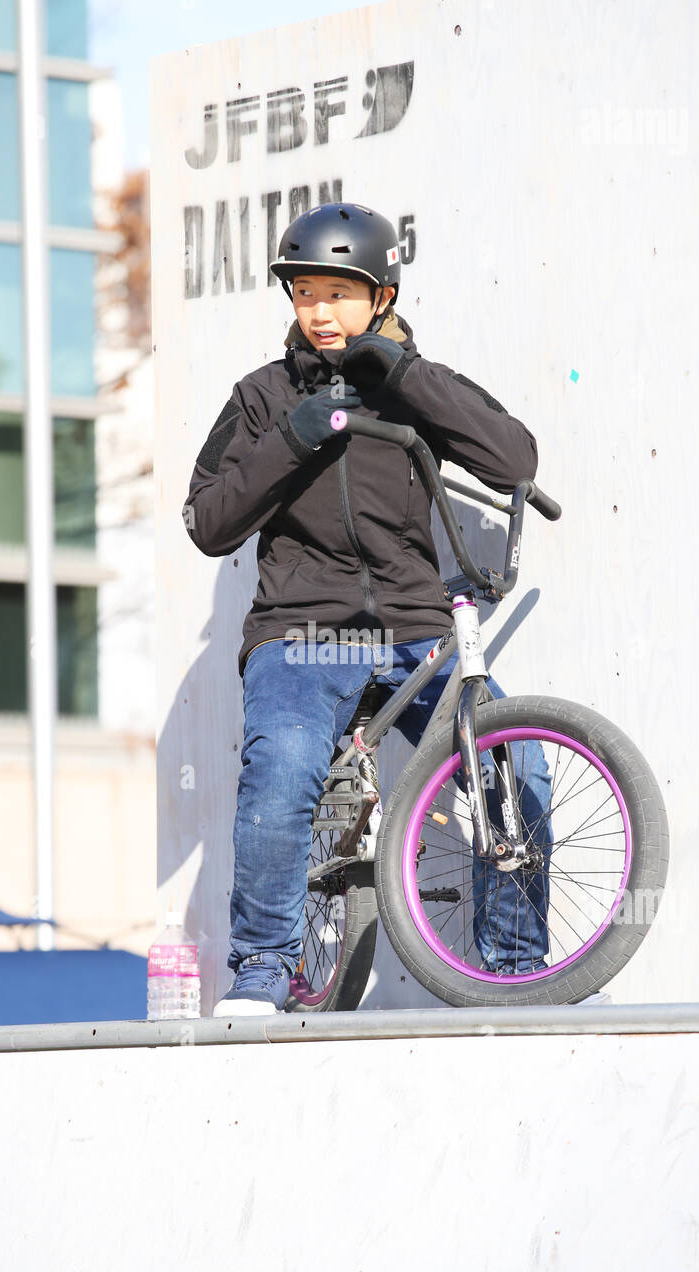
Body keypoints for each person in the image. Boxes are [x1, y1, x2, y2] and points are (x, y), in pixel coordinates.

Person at [183, 201, 551, 1017]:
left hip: (418, 629)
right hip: (302, 629)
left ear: (382, 295)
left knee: (518, 765)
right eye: (304, 292)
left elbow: (515, 457)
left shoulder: (416, 386)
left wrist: (405, 373)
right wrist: (294, 434)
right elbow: (207, 521)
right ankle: (263, 972)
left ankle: (520, 974)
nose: (319, 312)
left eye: (340, 294)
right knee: (280, 777)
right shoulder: (259, 397)